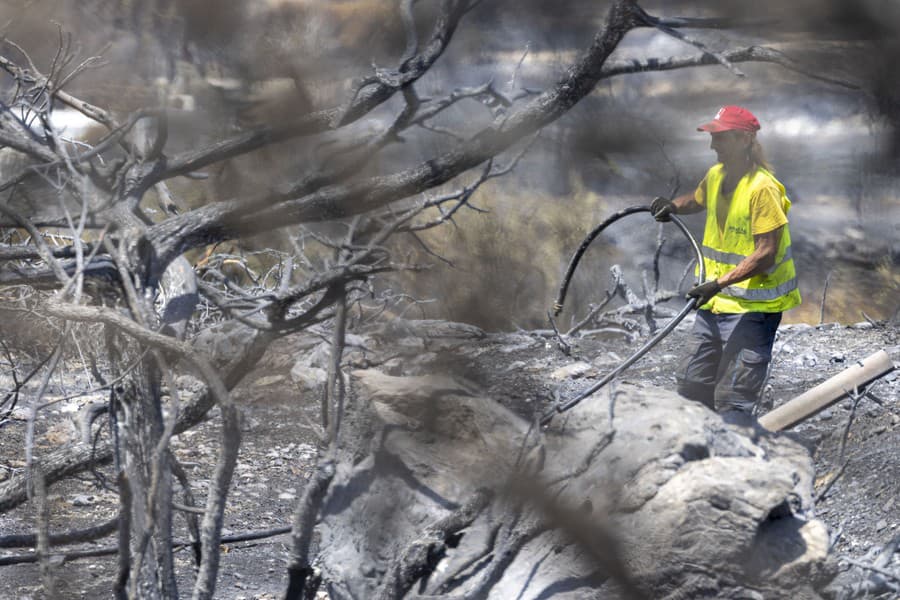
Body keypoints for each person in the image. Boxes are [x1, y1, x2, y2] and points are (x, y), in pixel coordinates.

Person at [650, 105, 801, 417]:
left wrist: (717, 284)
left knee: (733, 399)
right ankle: (703, 454)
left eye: (721, 138)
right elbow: (697, 199)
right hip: (715, 304)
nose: (713, 145)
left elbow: (765, 253)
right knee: (691, 384)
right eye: (713, 137)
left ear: (744, 139)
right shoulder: (717, 176)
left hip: (752, 310)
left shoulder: (763, 188)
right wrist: (673, 207)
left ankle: (738, 456)